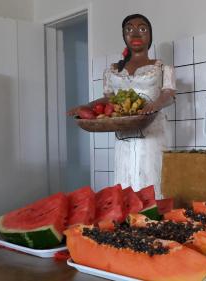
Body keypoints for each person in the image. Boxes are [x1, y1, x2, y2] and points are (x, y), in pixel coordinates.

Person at [68, 14, 176, 197]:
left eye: (142, 29)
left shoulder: (162, 68)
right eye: (129, 30)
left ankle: (154, 218)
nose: (135, 35)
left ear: (150, 35)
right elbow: (109, 99)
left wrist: (154, 105)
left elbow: (169, 93)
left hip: (153, 130)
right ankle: (127, 219)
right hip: (123, 132)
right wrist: (85, 107)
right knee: (125, 177)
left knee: (153, 178)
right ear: (124, 36)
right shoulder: (112, 70)